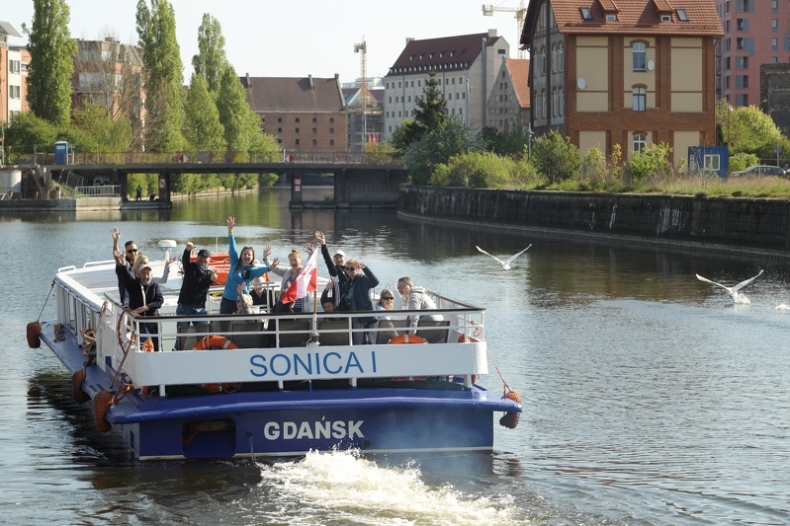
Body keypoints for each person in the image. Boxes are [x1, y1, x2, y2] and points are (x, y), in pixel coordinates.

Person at [220, 216, 278, 315]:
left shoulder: (251, 271)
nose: (247, 256)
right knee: (224, 326)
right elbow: (233, 248)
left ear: (252, 257)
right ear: (241, 255)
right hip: (227, 300)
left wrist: (270, 267)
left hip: (242, 301)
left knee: (242, 326)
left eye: (249, 255)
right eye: (245, 254)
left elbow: (260, 271)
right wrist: (230, 232)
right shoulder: (235, 263)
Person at [114, 249, 164, 352]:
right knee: (148, 346)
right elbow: (126, 278)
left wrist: (146, 307)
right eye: (143, 273)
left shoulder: (154, 286)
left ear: (151, 274)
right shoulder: (134, 285)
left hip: (154, 322)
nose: (146, 276)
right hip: (140, 323)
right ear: (138, 275)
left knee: (158, 348)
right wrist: (123, 264)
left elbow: (159, 301)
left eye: (148, 273)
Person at [175, 243, 217, 349]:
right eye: (201, 257)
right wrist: (187, 250)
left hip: (200, 309)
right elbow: (185, 260)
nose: (202, 259)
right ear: (197, 257)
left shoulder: (209, 273)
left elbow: (210, 280)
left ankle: (202, 356)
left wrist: (213, 278)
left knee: (203, 337)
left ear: (209, 260)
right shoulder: (190, 268)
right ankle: (176, 352)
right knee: (182, 336)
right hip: (184, 307)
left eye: (205, 258)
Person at [337, 259, 379, 344]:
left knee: (371, 341)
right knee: (355, 342)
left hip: (365, 315)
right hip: (353, 317)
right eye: (347, 268)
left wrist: (366, 269)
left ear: (357, 269)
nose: (349, 270)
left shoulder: (363, 279)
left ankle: (372, 355)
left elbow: (375, 282)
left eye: (351, 268)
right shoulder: (347, 284)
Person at [314, 231, 348, 308]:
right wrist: (323, 245)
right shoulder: (335, 271)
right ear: (334, 260)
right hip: (339, 306)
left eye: (340, 257)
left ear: (345, 258)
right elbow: (327, 260)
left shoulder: (350, 270)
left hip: (350, 306)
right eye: (336, 258)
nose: (339, 259)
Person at [111, 227, 137, 300]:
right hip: (128, 301)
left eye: (135, 250)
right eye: (130, 251)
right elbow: (117, 256)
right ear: (126, 252)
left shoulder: (140, 263)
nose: (133, 253)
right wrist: (116, 241)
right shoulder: (125, 264)